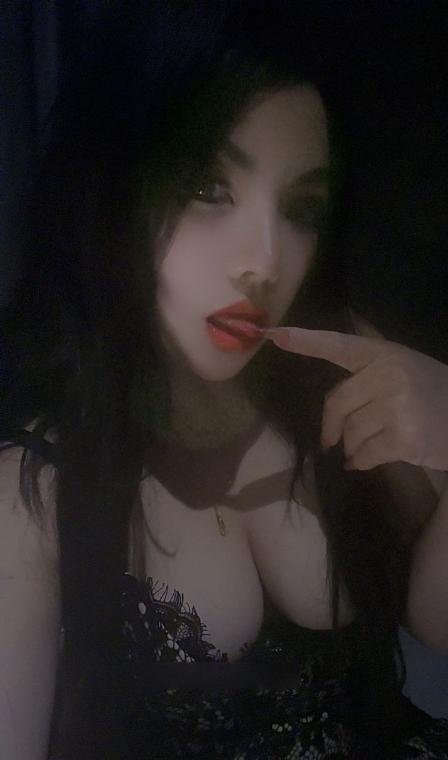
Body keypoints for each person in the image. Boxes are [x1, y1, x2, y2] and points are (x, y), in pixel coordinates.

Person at [1, 1, 448, 758]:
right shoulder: (33, 489)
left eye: (301, 208)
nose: (266, 261)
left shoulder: (335, 371)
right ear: (115, 191)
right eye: (209, 186)